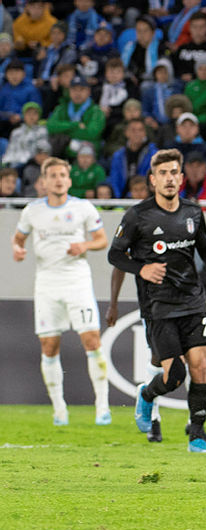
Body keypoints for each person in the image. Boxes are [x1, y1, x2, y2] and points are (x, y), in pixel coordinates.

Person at [107, 148, 206, 453]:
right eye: (163, 173)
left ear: (181, 177)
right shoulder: (137, 216)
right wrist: (142, 269)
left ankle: (196, 435)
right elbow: (115, 255)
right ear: (153, 180)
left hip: (192, 299)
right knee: (174, 376)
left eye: (174, 172)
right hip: (158, 304)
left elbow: (205, 246)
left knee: (199, 366)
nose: (169, 178)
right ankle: (147, 395)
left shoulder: (193, 211)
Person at [11, 156, 111, 426]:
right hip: (46, 284)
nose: (58, 180)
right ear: (43, 181)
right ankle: (59, 409)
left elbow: (101, 240)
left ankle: (102, 407)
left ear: (69, 180)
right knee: (49, 345)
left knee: (92, 340)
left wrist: (84, 246)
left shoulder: (83, 208)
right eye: (53, 175)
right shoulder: (32, 211)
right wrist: (18, 249)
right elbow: (18, 238)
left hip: (77, 281)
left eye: (62, 175)